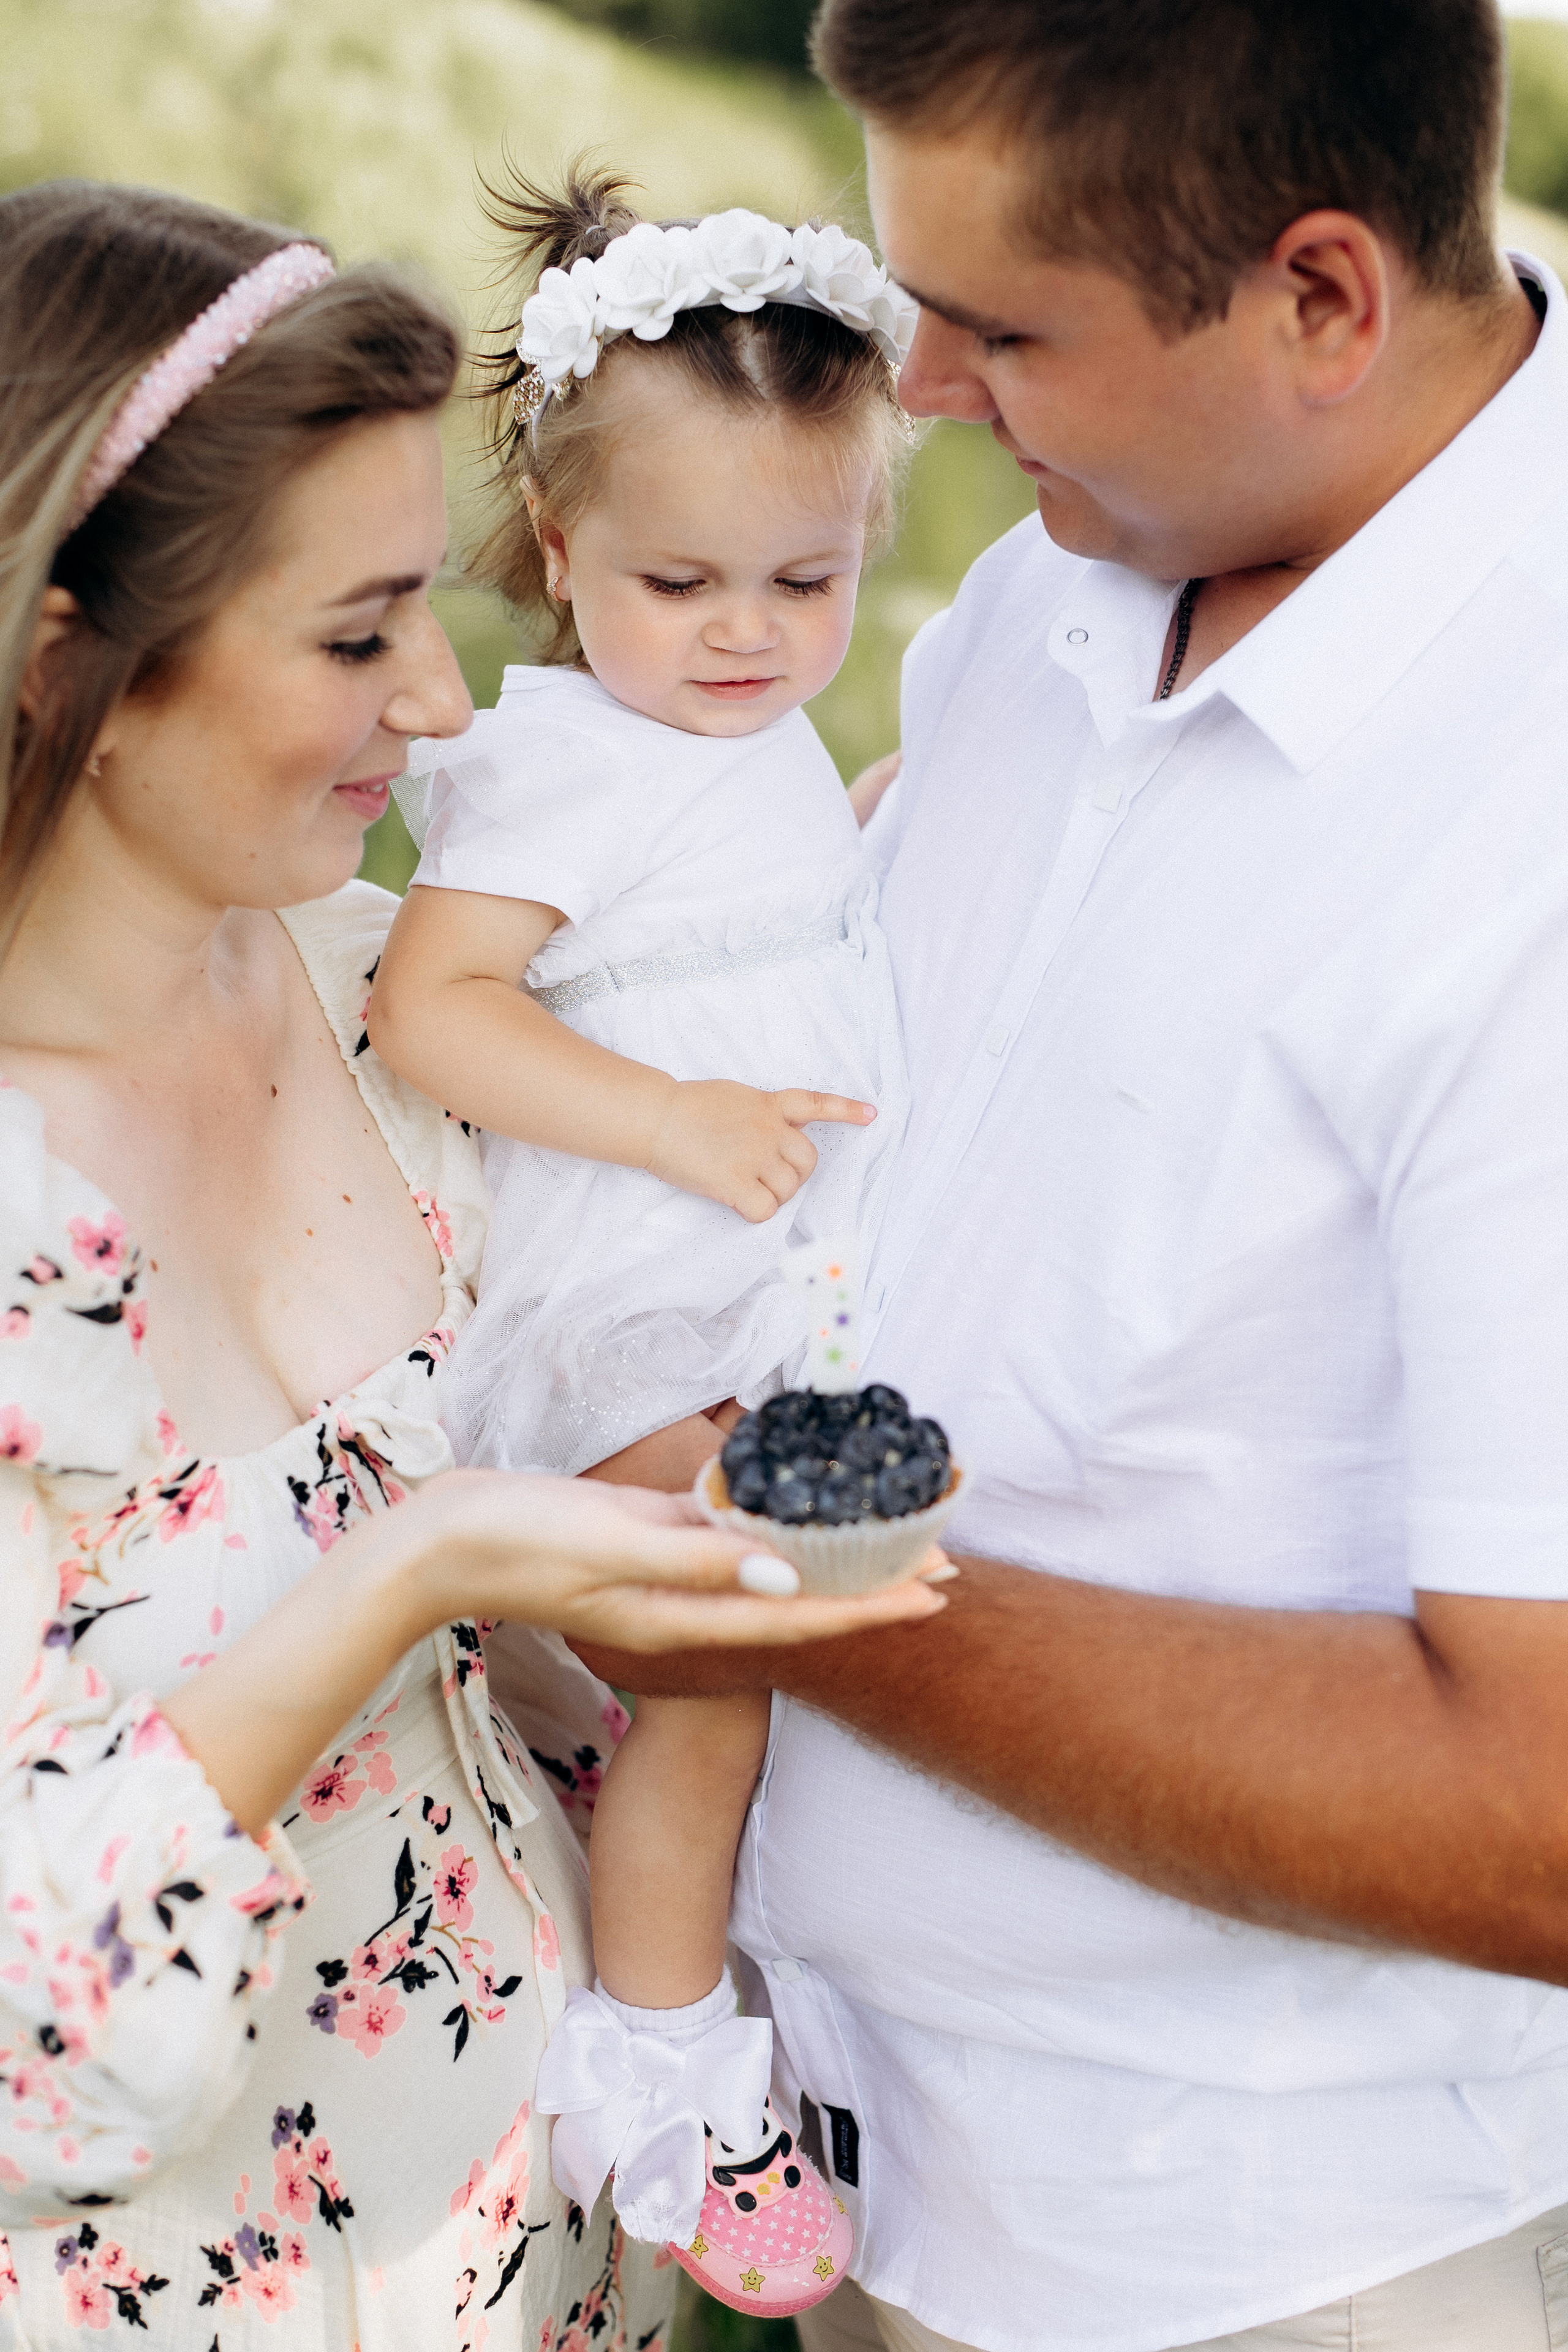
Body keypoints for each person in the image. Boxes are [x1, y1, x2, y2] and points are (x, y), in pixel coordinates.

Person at [571, 2, 1568, 2347]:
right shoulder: (1075, 566)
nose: (914, 383)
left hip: (1217, 2265)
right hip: (851, 2155)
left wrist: (751, 1558)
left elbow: (1540, 1809)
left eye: (1006, 325)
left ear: (1321, 300)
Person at [0, 178, 945, 2350]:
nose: (445, 703)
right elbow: (37, 2044)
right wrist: (423, 1564)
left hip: (568, 2263)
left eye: (435, 600)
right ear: (72, 657)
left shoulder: (380, 1018)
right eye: (355, 634)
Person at [366, 170, 918, 2308]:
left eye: (809, 573)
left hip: (774, 1305)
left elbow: (764, 920)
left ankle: (723, 2015)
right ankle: (660, 2067)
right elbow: (442, 1010)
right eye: (678, 578)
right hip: (626, 1304)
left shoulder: (760, 741)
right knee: (712, 1680)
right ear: (559, 541)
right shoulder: (564, 764)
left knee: (769, 1676)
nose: (747, 632)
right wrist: (672, 1119)